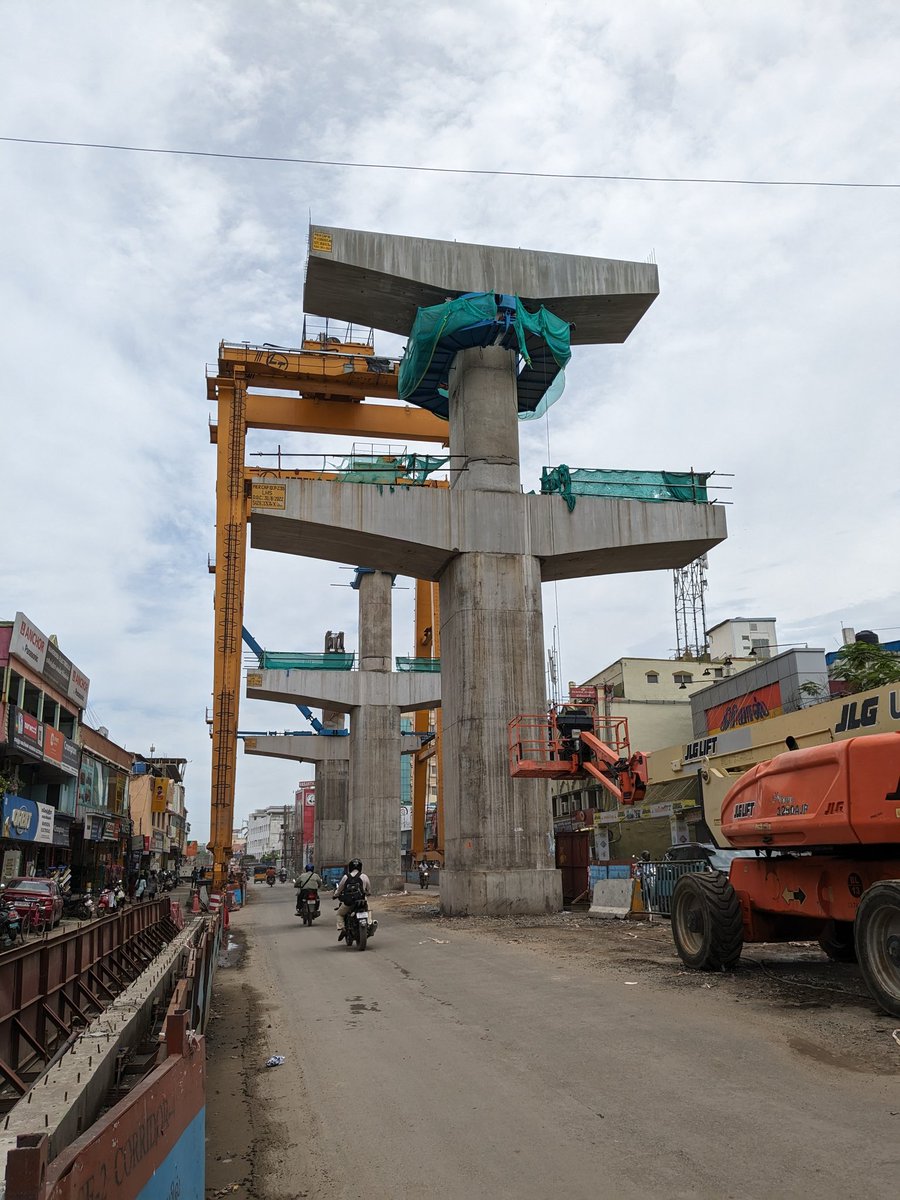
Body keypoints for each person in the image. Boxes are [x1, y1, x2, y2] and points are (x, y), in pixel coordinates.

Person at [334, 858, 371, 941]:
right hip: (361, 902)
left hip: (348, 902)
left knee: (339, 914)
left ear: (350, 867)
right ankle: (369, 923)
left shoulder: (345, 877)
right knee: (368, 911)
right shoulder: (364, 876)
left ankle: (342, 928)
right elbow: (369, 889)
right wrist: (368, 893)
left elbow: (339, 889)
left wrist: (335, 895)